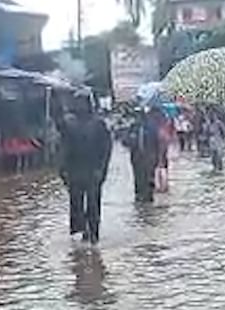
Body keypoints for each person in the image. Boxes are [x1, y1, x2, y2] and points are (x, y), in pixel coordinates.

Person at [60, 102, 113, 244]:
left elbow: (106, 148)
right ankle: (83, 232)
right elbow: (64, 149)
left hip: (92, 171)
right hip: (76, 171)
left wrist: (102, 169)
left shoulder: (99, 124)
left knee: (93, 205)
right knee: (77, 205)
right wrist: (63, 170)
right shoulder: (69, 125)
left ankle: (93, 234)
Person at [126, 106, 162, 203]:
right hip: (136, 158)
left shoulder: (151, 126)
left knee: (149, 179)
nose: (138, 117)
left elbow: (157, 143)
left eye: (139, 115)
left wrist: (158, 158)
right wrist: (130, 139)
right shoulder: (133, 127)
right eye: (136, 115)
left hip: (149, 157)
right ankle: (139, 198)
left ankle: (149, 199)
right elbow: (125, 141)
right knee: (138, 179)